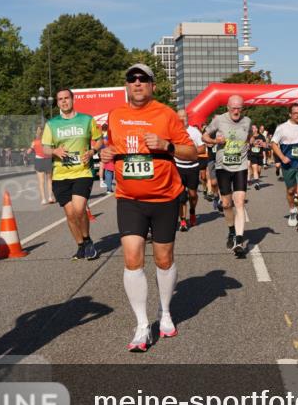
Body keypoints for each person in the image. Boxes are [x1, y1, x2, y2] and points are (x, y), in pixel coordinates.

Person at [100, 64, 195, 352]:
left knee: (164, 259)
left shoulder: (166, 114)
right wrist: (106, 153)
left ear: (152, 85)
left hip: (165, 197)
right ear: (127, 86)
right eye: (132, 79)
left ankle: (164, 311)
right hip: (129, 198)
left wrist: (167, 145)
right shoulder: (116, 116)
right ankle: (142, 324)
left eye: (143, 79)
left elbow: (192, 151)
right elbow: (112, 148)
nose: (137, 83)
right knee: (132, 258)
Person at [43, 88, 103, 261]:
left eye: (66, 98)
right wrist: (55, 150)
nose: (63, 101)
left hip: (82, 171)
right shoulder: (52, 124)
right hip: (60, 175)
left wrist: (92, 151)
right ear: (57, 102)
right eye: (60, 99)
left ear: (73, 99)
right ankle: (80, 245)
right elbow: (45, 147)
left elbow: (100, 140)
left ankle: (88, 240)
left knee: (78, 208)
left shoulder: (86, 120)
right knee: (70, 214)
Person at [203, 95, 253, 256]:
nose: (236, 111)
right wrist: (215, 142)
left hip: (240, 166)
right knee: (226, 204)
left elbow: (250, 138)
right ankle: (231, 230)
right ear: (228, 107)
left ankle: (239, 240)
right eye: (233, 108)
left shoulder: (247, 121)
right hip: (222, 166)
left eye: (239, 108)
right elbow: (205, 136)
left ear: (242, 108)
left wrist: (252, 143)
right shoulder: (219, 120)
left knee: (239, 202)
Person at [271, 104, 298, 232]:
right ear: (290, 114)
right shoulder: (282, 128)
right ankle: (292, 210)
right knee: (291, 190)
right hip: (288, 164)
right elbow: (273, 144)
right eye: (295, 113)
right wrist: (282, 158)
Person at [175, 109, 205, 232]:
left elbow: (202, 149)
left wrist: (190, 153)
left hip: (192, 167)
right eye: (179, 117)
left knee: (192, 194)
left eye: (184, 117)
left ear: (188, 118)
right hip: (178, 167)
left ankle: (192, 211)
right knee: (181, 197)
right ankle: (183, 220)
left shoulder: (194, 132)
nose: (182, 119)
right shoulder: (173, 131)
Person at [28, 126, 54, 204]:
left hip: (39, 161)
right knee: (49, 180)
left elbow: (28, 152)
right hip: (48, 160)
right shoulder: (49, 141)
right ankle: (50, 197)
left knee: (41, 181)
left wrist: (31, 148)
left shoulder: (34, 142)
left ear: (38, 132)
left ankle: (43, 199)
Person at [248, 124, 266, 189]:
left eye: (255, 128)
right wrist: (251, 141)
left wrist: (262, 144)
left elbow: (265, 145)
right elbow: (248, 144)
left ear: (257, 129)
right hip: (252, 155)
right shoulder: (250, 136)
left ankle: (256, 178)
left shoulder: (262, 136)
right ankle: (257, 183)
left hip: (260, 155)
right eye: (252, 128)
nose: (254, 129)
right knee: (255, 169)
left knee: (258, 170)